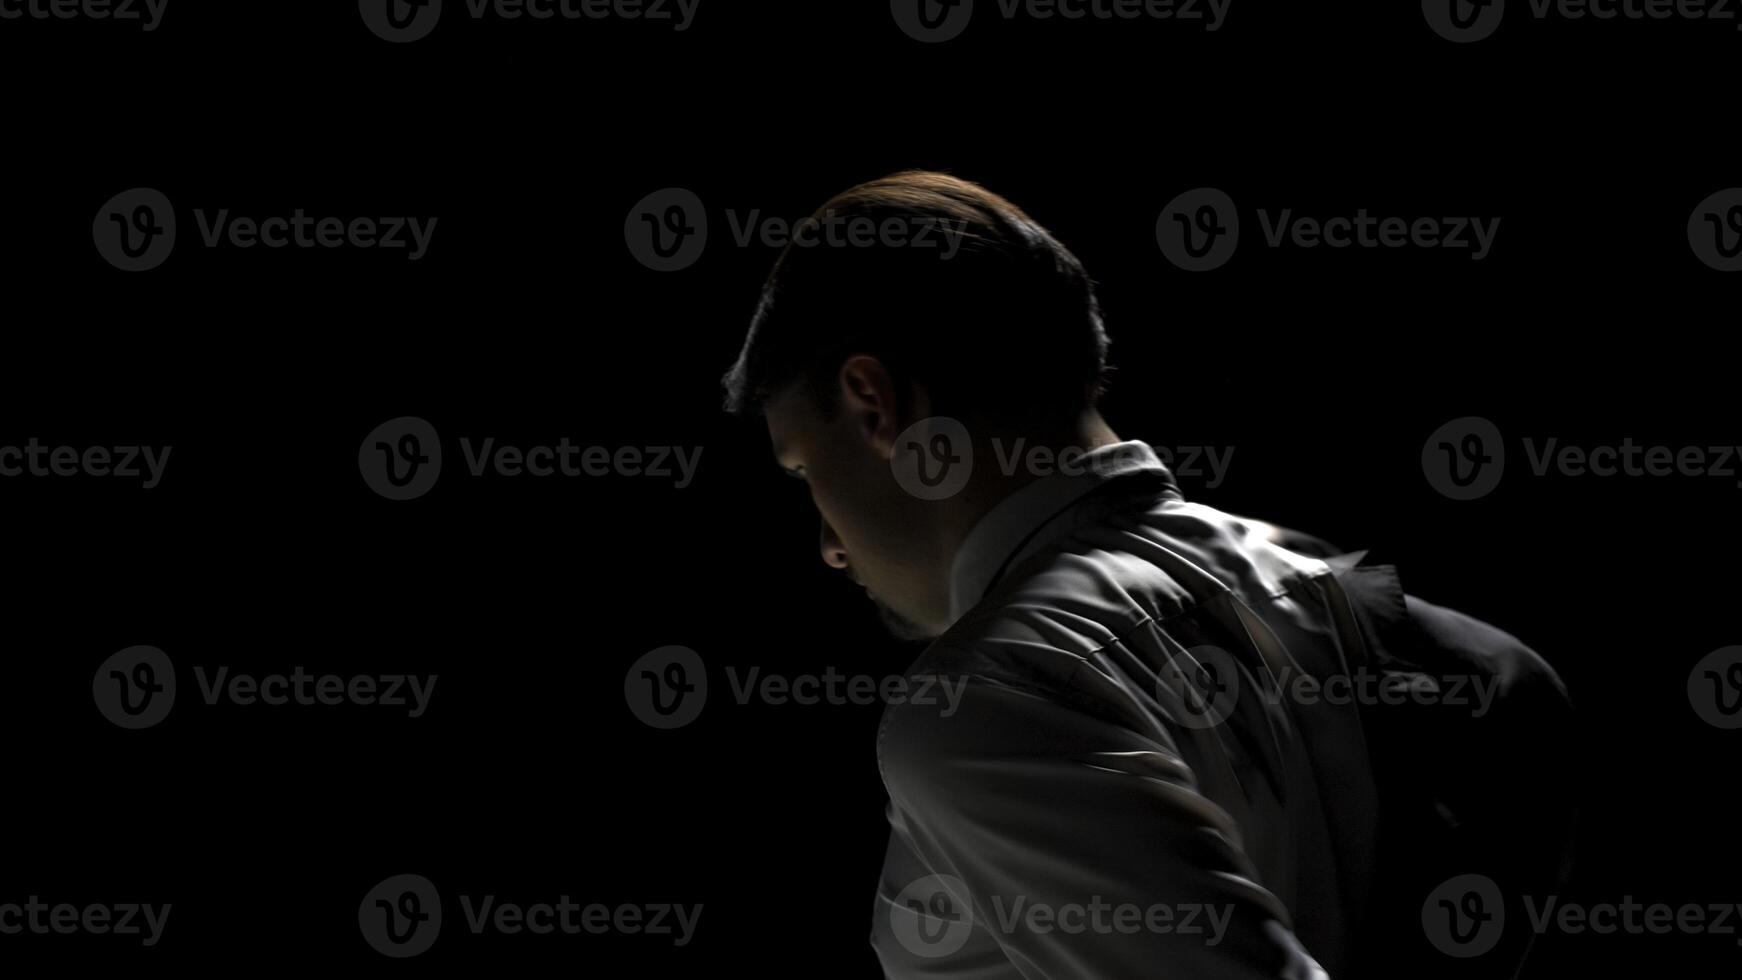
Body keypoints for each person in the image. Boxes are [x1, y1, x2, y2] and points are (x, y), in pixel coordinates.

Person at [722, 170, 1574, 978]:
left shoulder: (986, 703)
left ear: (875, 403)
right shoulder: (1453, 652)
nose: (828, 546)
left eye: (805, 472)